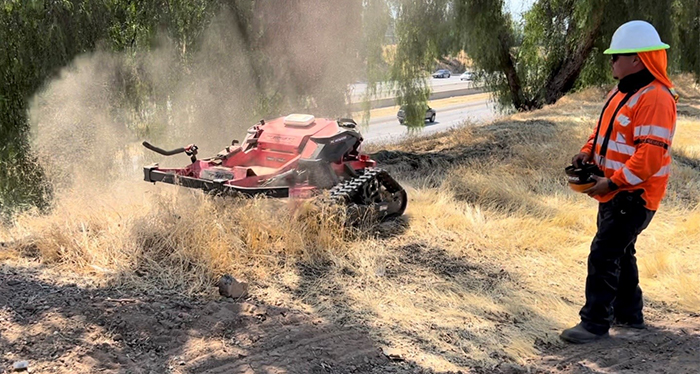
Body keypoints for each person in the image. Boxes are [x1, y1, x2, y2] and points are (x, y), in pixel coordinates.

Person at [560, 20, 678, 344]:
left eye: (616, 56)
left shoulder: (655, 98)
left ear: (637, 59)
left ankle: (595, 324)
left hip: (634, 196)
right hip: (615, 192)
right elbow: (603, 132)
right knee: (621, 252)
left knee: (603, 253)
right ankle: (630, 314)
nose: (611, 61)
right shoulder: (622, 91)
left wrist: (611, 183)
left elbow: (649, 157)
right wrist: (587, 153)